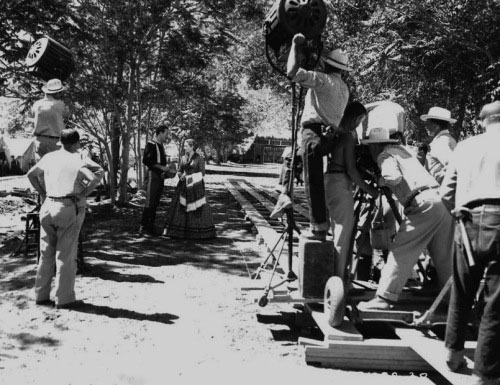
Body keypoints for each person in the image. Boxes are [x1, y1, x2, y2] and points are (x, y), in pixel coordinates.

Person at [357, 126, 453, 310]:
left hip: (422, 203)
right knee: (443, 256)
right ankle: (449, 299)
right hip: (441, 199)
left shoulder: (384, 155)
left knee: (401, 249)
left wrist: (380, 181)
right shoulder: (403, 151)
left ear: (375, 146)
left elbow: (392, 177)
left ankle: (384, 298)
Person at [440, 100, 500, 385]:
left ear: (482, 122)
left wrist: (459, 210)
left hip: (466, 219)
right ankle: (484, 375)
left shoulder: (465, 146)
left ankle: (452, 354)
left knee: (462, 288)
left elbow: (445, 192)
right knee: (495, 300)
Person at [272, 33, 351, 241]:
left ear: (327, 65)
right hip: (328, 137)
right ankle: (284, 194)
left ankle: (318, 227)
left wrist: (294, 45)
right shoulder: (344, 88)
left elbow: (292, 72)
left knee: (312, 181)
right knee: (292, 158)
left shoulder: (322, 80)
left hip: (313, 132)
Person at [27, 129, 103, 309]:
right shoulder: (76, 160)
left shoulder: (49, 157)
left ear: (60, 142)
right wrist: (82, 195)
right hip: (67, 206)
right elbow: (93, 178)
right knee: (66, 255)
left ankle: (40, 294)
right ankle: (64, 297)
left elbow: (30, 174)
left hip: (48, 206)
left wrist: (43, 193)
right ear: (76, 143)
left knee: (46, 254)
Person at [324, 101, 379, 279]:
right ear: (355, 118)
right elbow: (351, 171)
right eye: (360, 120)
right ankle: (339, 278)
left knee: (332, 231)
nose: (358, 124)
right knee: (342, 233)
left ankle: (332, 273)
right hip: (340, 183)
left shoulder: (333, 132)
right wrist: (371, 190)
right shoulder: (347, 136)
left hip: (328, 181)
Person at [164, 139, 216, 239]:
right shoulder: (183, 158)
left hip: (195, 187)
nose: (184, 147)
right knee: (181, 207)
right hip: (183, 187)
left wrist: (188, 176)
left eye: (187, 146)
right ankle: (178, 232)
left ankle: (197, 233)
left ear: (192, 147)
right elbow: (179, 171)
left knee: (196, 208)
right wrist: (181, 176)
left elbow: (202, 173)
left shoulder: (200, 158)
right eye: (184, 146)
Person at [140, 125, 173, 236]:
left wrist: (166, 171)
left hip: (159, 177)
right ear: (159, 133)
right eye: (166, 133)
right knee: (150, 201)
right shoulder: (151, 144)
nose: (167, 136)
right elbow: (146, 160)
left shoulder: (161, 146)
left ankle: (151, 226)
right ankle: (144, 227)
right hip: (152, 176)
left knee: (156, 201)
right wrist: (161, 168)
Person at [32, 79, 70, 159]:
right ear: (56, 93)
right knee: (55, 169)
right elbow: (66, 118)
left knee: (41, 169)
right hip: (55, 142)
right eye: (60, 93)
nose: (60, 95)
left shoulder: (37, 104)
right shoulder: (60, 104)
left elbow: (33, 116)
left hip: (39, 141)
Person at [420, 106, 457, 184]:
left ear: (435, 126)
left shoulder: (441, 142)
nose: (426, 127)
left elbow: (452, 167)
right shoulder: (449, 139)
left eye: (428, 124)